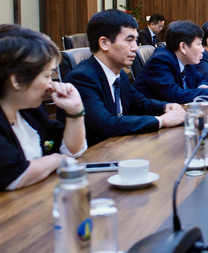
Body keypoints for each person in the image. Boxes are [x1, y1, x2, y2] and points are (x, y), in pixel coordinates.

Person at [64, 10, 186, 146]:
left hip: (120, 147)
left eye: (136, 40)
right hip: (93, 156)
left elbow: (139, 103)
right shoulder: (82, 78)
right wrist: (161, 121)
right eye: (129, 41)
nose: (135, 48)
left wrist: (166, 107)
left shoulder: (119, 74)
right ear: (104, 43)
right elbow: (106, 124)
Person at [0, 25, 87, 190]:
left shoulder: (29, 110)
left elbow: (71, 151)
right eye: (47, 75)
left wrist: (75, 111)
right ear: (17, 80)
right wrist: (56, 160)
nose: (51, 85)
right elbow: (14, 175)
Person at [134, 20, 208, 103]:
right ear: (183, 47)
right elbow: (173, 95)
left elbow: (202, 79)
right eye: (199, 44)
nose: (202, 49)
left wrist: (203, 87)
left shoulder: (186, 61)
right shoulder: (161, 61)